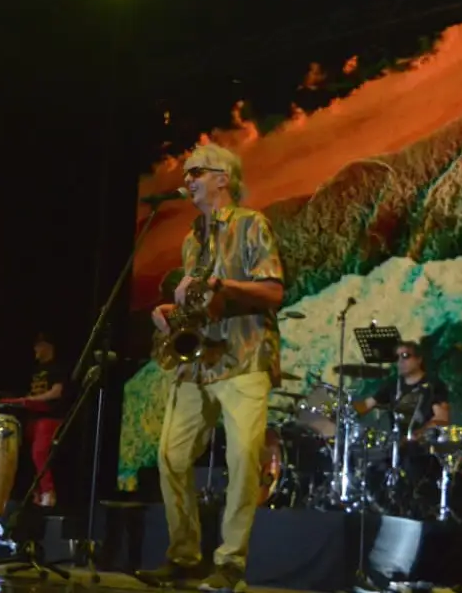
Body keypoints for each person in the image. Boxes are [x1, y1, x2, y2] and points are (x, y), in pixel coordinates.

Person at [136, 143, 284, 593]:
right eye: (185, 174)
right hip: (199, 363)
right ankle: (184, 556)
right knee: (171, 456)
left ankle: (231, 564)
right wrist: (169, 313)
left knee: (242, 460)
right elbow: (200, 305)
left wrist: (220, 282)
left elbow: (274, 291)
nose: (187, 182)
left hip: (244, 358)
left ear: (223, 178)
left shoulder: (252, 223)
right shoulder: (191, 238)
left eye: (195, 172)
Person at [352, 340, 451, 516]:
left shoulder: (433, 386)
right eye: (397, 357)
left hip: (424, 449)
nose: (400, 361)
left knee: (410, 466)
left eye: (405, 356)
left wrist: (415, 435)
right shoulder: (392, 385)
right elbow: (366, 405)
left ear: (419, 359)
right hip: (398, 446)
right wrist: (337, 409)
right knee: (371, 466)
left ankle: (412, 510)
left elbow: (441, 418)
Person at [4, 332, 67, 507]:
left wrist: (33, 400)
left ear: (48, 347)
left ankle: (48, 492)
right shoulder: (35, 370)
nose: (35, 349)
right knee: (20, 449)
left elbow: (56, 392)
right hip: (33, 417)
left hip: (50, 417)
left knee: (39, 451)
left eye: (39, 346)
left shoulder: (57, 368)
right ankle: (34, 492)